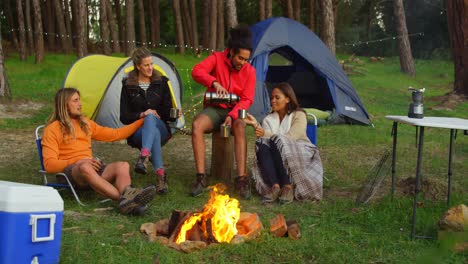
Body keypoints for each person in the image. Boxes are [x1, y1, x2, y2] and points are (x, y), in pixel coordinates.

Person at [42, 88, 157, 215]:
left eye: (79, 100)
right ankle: (124, 200)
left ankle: (128, 197)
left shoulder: (85, 123)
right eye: (75, 101)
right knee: (85, 166)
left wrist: (143, 120)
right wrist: (79, 161)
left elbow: (115, 134)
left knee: (123, 165)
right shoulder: (52, 129)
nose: (80, 104)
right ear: (64, 104)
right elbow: (49, 165)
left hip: (92, 168)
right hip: (71, 172)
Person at [190, 25, 256, 199]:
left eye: (246, 59)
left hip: (235, 111)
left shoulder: (250, 71)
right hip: (214, 108)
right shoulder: (217, 58)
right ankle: (201, 177)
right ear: (231, 52)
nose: (243, 62)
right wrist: (214, 82)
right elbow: (196, 71)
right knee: (197, 125)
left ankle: (241, 180)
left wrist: (232, 115)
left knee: (240, 126)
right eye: (240, 58)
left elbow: (247, 99)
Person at [244, 82, 323, 204]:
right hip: (277, 153)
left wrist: (266, 133)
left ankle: (288, 186)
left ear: (287, 99)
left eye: (277, 97)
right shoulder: (268, 119)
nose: (273, 101)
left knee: (278, 141)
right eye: (272, 98)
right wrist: (256, 125)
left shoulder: (299, 115)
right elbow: (265, 137)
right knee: (261, 144)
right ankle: (275, 186)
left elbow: (291, 137)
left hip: (300, 151)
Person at [120, 47, 178, 194]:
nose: (150, 68)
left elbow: (167, 113)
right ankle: (160, 176)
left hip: (161, 126)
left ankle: (144, 156)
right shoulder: (128, 85)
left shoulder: (161, 82)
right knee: (153, 131)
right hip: (138, 131)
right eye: (146, 65)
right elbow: (124, 116)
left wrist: (173, 114)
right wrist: (142, 114)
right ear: (138, 66)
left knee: (152, 118)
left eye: (151, 64)